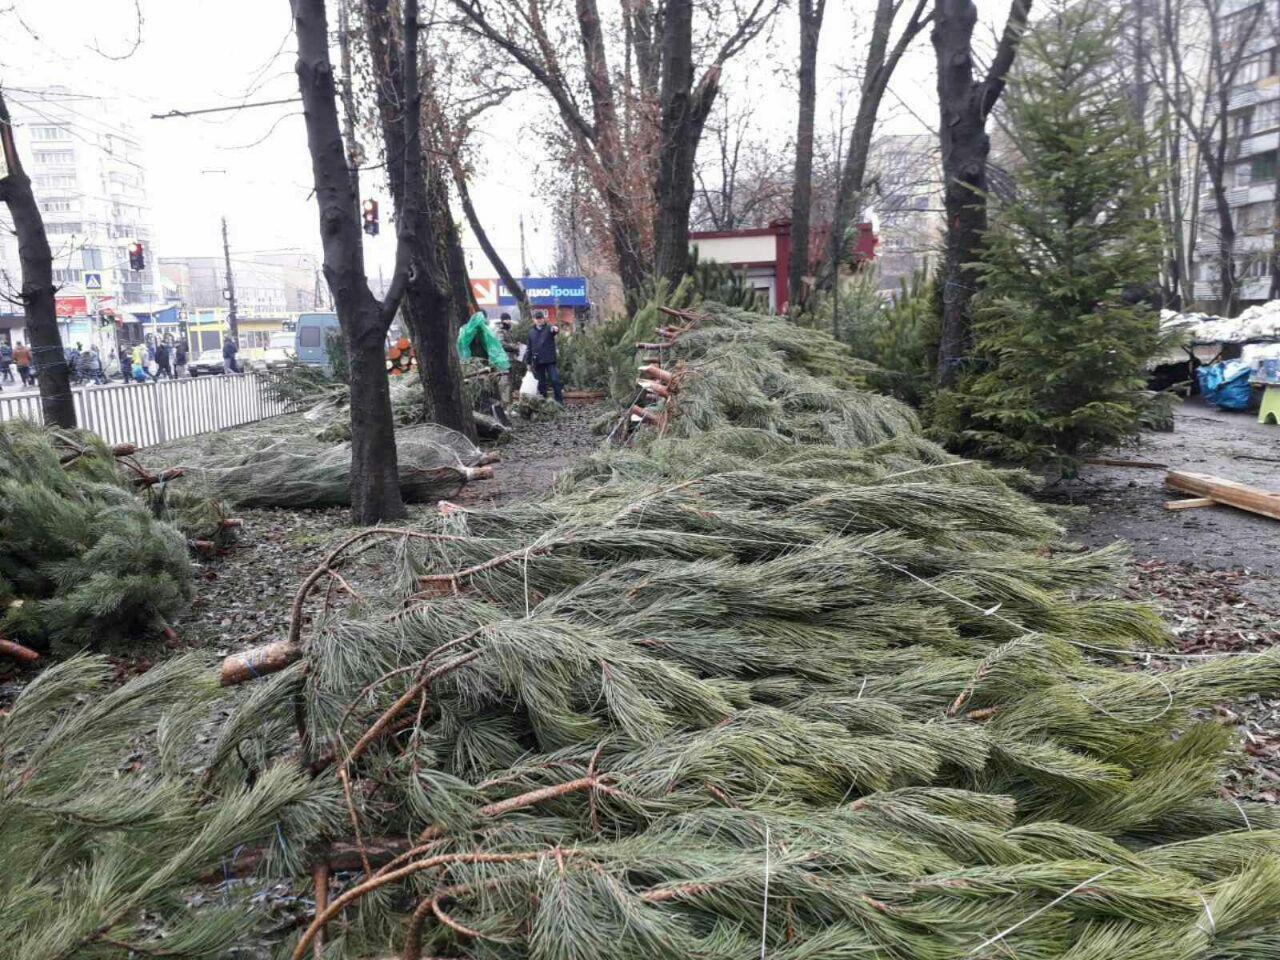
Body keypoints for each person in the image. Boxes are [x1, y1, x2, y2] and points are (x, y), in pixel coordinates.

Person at [526, 310, 563, 405]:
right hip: (538, 361)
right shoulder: (531, 332)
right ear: (534, 319)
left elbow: (555, 329)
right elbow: (529, 348)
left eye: (540, 318)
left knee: (555, 380)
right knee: (541, 384)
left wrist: (556, 328)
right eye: (537, 318)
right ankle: (544, 402)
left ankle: (559, 401)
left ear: (543, 319)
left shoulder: (549, 328)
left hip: (550, 360)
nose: (539, 320)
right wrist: (528, 363)